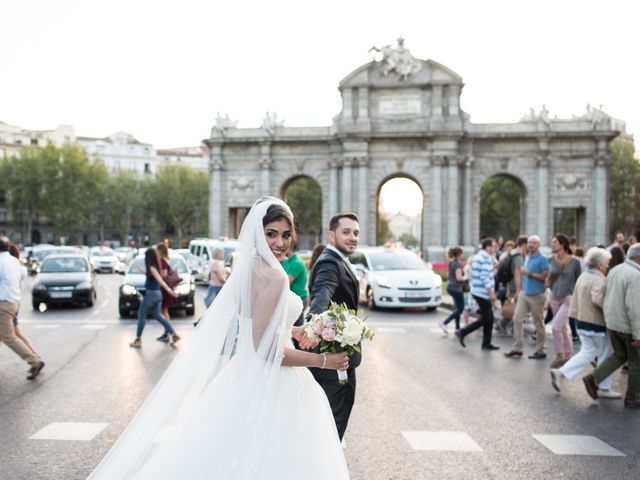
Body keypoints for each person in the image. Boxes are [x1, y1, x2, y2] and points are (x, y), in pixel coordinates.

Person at [88, 197, 350, 479]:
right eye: (271, 234)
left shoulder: (248, 268)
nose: (280, 242)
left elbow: (258, 325)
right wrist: (325, 360)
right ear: (257, 234)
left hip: (243, 374)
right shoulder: (274, 276)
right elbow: (268, 350)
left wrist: (295, 330)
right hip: (274, 381)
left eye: (286, 235)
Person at [307, 212, 361, 440]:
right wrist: (314, 321)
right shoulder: (330, 262)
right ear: (331, 235)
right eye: (346, 232)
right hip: (335, 360)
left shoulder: (338, 259)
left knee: (326, 423)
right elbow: (322, 293)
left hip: (334, 359)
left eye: (356, 233)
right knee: (333, 426)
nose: (352, 237)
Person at [550, 247, 620, 398]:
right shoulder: (598, 279)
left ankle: (561, 373)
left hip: (582, 321)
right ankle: (603, 387)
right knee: (606, 355)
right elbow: (597, 299)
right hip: (595, 323)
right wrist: (612, 308)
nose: (608, 265)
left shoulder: (584, 276)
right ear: (600, 264)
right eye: (607, 263)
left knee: (587, 352)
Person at [583, 243, 640, 408]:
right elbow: (635, 308)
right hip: (627, 325)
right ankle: (633, 396)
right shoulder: (636, 276)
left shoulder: (616, 270)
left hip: (613, 322)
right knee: (636, 362)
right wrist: (638, 335)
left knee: (620, 355)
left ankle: (594, 378)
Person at [0, 236, 45, 380]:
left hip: (3, 304)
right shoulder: (14, 261)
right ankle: (35, 359)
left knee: (9, 337)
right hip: (13, 302)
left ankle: (35, 361)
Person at [504, 235, 550, 360]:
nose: (531, 245)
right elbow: (520, 274)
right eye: (529, 242)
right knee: (517, 319)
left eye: (534, 243)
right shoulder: (527, 256)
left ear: (538, 245)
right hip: (525, 293)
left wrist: (529, 273)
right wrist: (519, 290)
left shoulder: (542, 259)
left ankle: (541, 350)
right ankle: (517, 348)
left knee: (538, 323)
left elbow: (544, 276)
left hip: (537, 295)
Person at [129, 247, 180, 348]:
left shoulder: (152, 267)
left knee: (141, 314)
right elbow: (152, 276)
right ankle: (174, 334)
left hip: (151, 294)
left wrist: (170, 291)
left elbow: (160, 280)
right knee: (158, 315)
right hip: (158, 295)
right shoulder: (156, 267)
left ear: (148, 258)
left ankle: (138, 339)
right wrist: (139, 269)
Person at [455, 238, 500, 350]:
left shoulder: (479, 257)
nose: (495, 248)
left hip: (478, 291)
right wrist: (491, 294)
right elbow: (485, 277)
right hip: (482, 293)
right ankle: (463, 332)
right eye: (493, 246)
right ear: (488, 247)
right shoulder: (484, 258)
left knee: (489, 318)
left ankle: (486, 343)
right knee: (487, 318)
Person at [547, 234, 582, 368]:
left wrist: (578, 300)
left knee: (555, 326)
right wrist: (548, 283)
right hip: (554, 296)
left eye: (554, 242)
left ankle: (559, 355)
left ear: (562, 244)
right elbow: (549, 278)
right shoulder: (550, 260)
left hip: (568, 297)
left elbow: (579, 281)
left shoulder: (575, 262)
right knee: (562, 327)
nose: (552, 245)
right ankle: (568, 354)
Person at [8, 243, 40, 358]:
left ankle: (35, 358)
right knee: (15, 333)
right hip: (15, 301)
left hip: (7, 302)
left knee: (11, 335)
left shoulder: (9, 266)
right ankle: (35, 356)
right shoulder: (19, 267)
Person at [439, 246, 467, 333]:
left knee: (457, 308)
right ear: (459, 254)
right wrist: (466, 277)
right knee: (460, 309)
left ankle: (457, 328)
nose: (462, 255)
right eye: (462, 253)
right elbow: (459, 278)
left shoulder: (451, 263)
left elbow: (449, 275)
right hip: (456, 288)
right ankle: (444, 323)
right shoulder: (457, 264)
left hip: (450, 287)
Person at [282, 239, 309, 326]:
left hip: (299, 298)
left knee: (296, 326)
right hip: (291, 298)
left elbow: (285, 283)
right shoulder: (287, 261)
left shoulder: (296, 263)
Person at [156, 243, 177, 343]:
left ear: (160, 250)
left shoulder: (162, 261)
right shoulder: (167, 259)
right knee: (164, 311)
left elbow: (164, 274)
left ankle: (168, 333)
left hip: (164, 289)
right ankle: (167, 333)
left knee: (163, 311)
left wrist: (156, 275)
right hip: (167, 288)